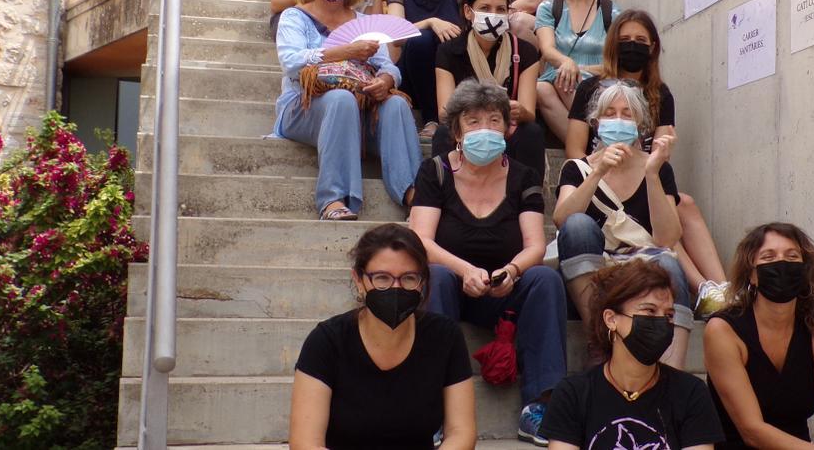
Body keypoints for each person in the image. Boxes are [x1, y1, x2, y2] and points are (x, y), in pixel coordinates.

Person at [411, 81, 567, 447]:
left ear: (507, 129)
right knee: (434, 274)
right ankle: (435, 407)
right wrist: (464, 270)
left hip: (505, 289)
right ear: (457, 131)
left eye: (494, 120)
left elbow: (535, 245)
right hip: (451, 285)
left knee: (544, 278)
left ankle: (541, 405)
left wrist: (512, 271)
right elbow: (420, 239)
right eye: (474, 121)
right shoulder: (434, 172)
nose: (485, 129)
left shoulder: (524, 177)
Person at [566, 10, 729, 305]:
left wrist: (656, 159)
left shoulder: (659, 93)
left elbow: (662, 148)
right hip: (601, 177)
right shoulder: (591, 88)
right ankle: (703, 287)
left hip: (641, 172)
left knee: (680, 205)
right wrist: (596, 170)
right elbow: (575, 149)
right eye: (625, 39)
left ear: (653, 46)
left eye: (640, 40)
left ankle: (720, 288)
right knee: (668, 217)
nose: (632, 45)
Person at [289, 223, 475, 449]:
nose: (395, 288)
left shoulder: (445, 337)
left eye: (408, 278)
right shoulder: (327, 341)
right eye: (382, 278)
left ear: (422, 282)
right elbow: (304, 443)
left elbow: (461, 433)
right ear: (359, 280)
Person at [273, 0, 422, 220]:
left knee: (397, 106)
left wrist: (386, 80)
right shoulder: (295, 16)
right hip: (303, 108)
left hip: (362, 109)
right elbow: (292, 63)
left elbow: (388, 64)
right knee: (341, 99)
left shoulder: (364, 22)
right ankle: (333, 198)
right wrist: (345, 52)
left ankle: (412, 194)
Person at [552, 82, 694, 368]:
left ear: (640, 123)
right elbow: (562, 219)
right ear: (596, 122)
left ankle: (672, 370)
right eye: (610, 113)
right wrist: (598, 172)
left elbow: (667, 238)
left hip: (640, 263)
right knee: (578, 224)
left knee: (670, 265)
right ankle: (599, 339)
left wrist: (652, 174)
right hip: (590, 272)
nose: (618, 121)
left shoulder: (658, 168)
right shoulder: (576, 168)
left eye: (627, 114)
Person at [538, 259, 725, 450]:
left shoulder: (691, 393)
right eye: (649, 311)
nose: (661, 321)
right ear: (611, 319)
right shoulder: (573, 394)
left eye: (668, 315)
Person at [703, 223, 814, 450]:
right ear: (752, 274)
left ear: (803, 270)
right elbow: (752, 430)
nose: (781, 264)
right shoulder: (723, 330)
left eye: (792, 257)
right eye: (768, 257)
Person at [433, 0, 544, 178]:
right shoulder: (449, 51)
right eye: (485, 8)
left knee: (532, 132)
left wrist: (519, 110)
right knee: (443, 133)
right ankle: (444, 196)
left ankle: (530, 199)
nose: (493, 15)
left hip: (505, 126)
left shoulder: (524, 51)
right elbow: (444, 112)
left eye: (501, 9)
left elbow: (529, 112)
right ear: (468, 12)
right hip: (469, 127)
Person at [386, 0, 466, 135]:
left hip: (451, 71)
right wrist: (431, 22)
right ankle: (431, 119)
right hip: (412, 72)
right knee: (421, 38)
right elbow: (395, 35)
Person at [534, 0, 618, 141]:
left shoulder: (610, 11)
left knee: (566, 78)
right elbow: (547, 49)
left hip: (598, 82)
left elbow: (615, 63)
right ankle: (588, 143)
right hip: (560, 77)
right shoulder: (548, 8)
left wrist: (579, 70)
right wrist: (567, 63)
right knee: (542, 87)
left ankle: (588, 142)